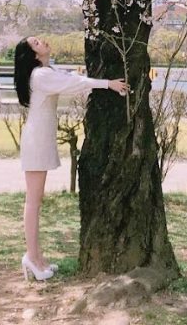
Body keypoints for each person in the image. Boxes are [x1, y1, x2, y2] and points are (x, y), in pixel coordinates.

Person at [12, 36, 127, 282]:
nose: (42, 41)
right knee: (33, 201)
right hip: (36, 141)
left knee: (36, 200)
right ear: (32, 54)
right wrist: (108, 84)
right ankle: (32, 257)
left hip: (39, 138)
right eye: (36, 43)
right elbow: (74, 83)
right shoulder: (41, 75)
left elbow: (70, 79)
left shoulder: (45, 72)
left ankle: (37, 257)